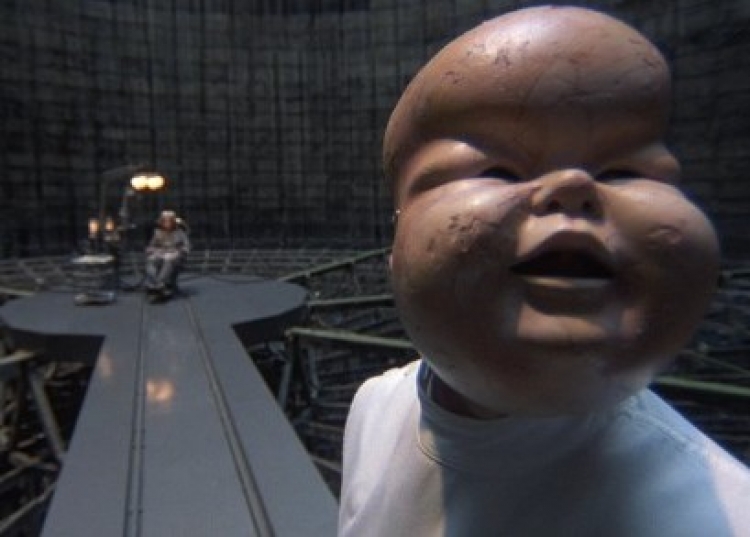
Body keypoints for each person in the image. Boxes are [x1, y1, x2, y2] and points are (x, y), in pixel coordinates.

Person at [339, 6, 750, 536]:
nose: (573, 185)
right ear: (396, 245)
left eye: (623, 171)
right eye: (498, 171)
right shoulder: (375, 409)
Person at [145, 210, 189, 298]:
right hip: (161, 254)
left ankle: (159, 284)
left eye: (169, 221)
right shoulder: (157, 232)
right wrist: (153, 251)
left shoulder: (180, 232)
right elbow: (151, 246)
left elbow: (186, 247)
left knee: (168, 260)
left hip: (175, 257)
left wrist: (178, 252)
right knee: (151, 260)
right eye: (165, 221)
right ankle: (154, 284)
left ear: (173, 222)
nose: (167, 223)